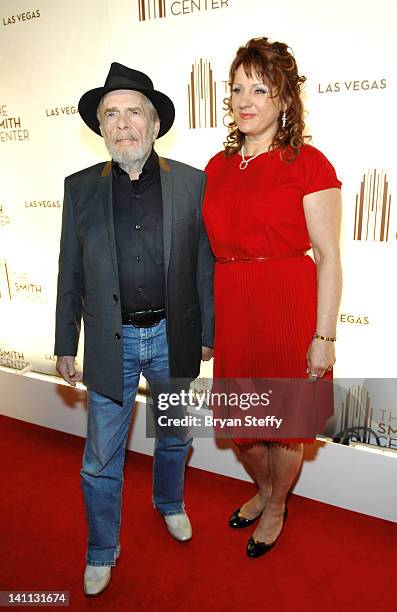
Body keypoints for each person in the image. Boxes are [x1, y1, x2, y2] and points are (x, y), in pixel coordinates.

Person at [55, 62, 214, 595]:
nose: (122, 124)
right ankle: (102, 548)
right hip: (110, 341)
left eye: (133, 112)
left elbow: (203, 266)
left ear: (153, 122)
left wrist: (207, 331)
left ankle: (169, 502)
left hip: (174, 336)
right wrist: (63, 341)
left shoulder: (193, 182)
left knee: (174, 435)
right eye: (110, 114)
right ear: (100, 126)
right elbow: (69, 270)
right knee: (101, 456)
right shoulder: (78, 189)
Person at [203, 37, 342, 558]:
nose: (246, 100)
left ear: (284, 98)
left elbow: (328, 256)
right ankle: (264, 490)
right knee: (244, 425)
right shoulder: (217, 167)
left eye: (260, 88)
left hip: (288, 306)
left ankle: (277, 504)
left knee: (284, 429)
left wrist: (323, 337)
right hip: (235, 309)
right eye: (238, 88)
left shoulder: (308, 163)